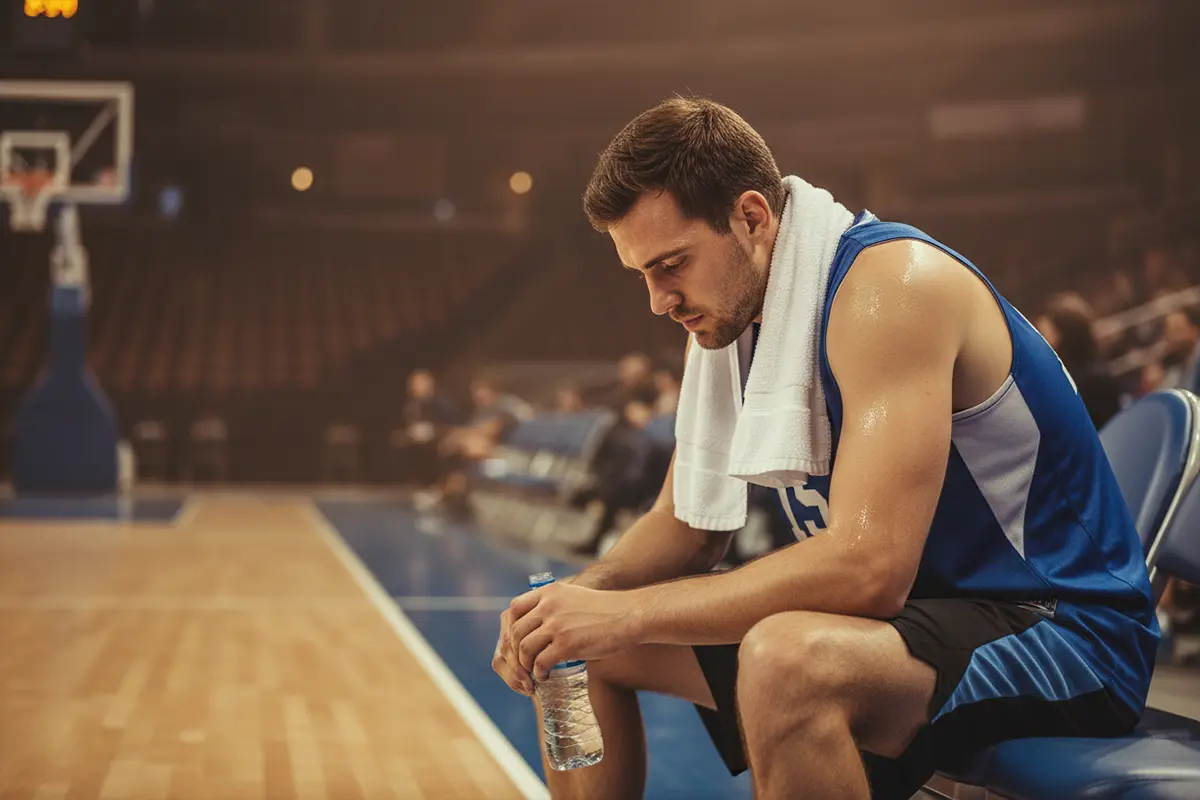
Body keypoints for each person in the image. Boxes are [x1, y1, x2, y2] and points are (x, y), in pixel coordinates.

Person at [491, 97, 1159, 800]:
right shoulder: (729, 317)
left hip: (1063, 630)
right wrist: (577, 602)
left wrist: (627, 611)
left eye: (672, 264)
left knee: (785, 662)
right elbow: (687, 525)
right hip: (917, 621)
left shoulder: (891, 287)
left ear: (752, 217)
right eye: (643, 275)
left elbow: (870, 570)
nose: (659, 300)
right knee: (570, 643)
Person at [1033, 292, 1122, 429]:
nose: (1039, 341)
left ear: (1061, 336)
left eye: (1044, 334)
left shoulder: (1081, 384)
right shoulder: (1091, 374)